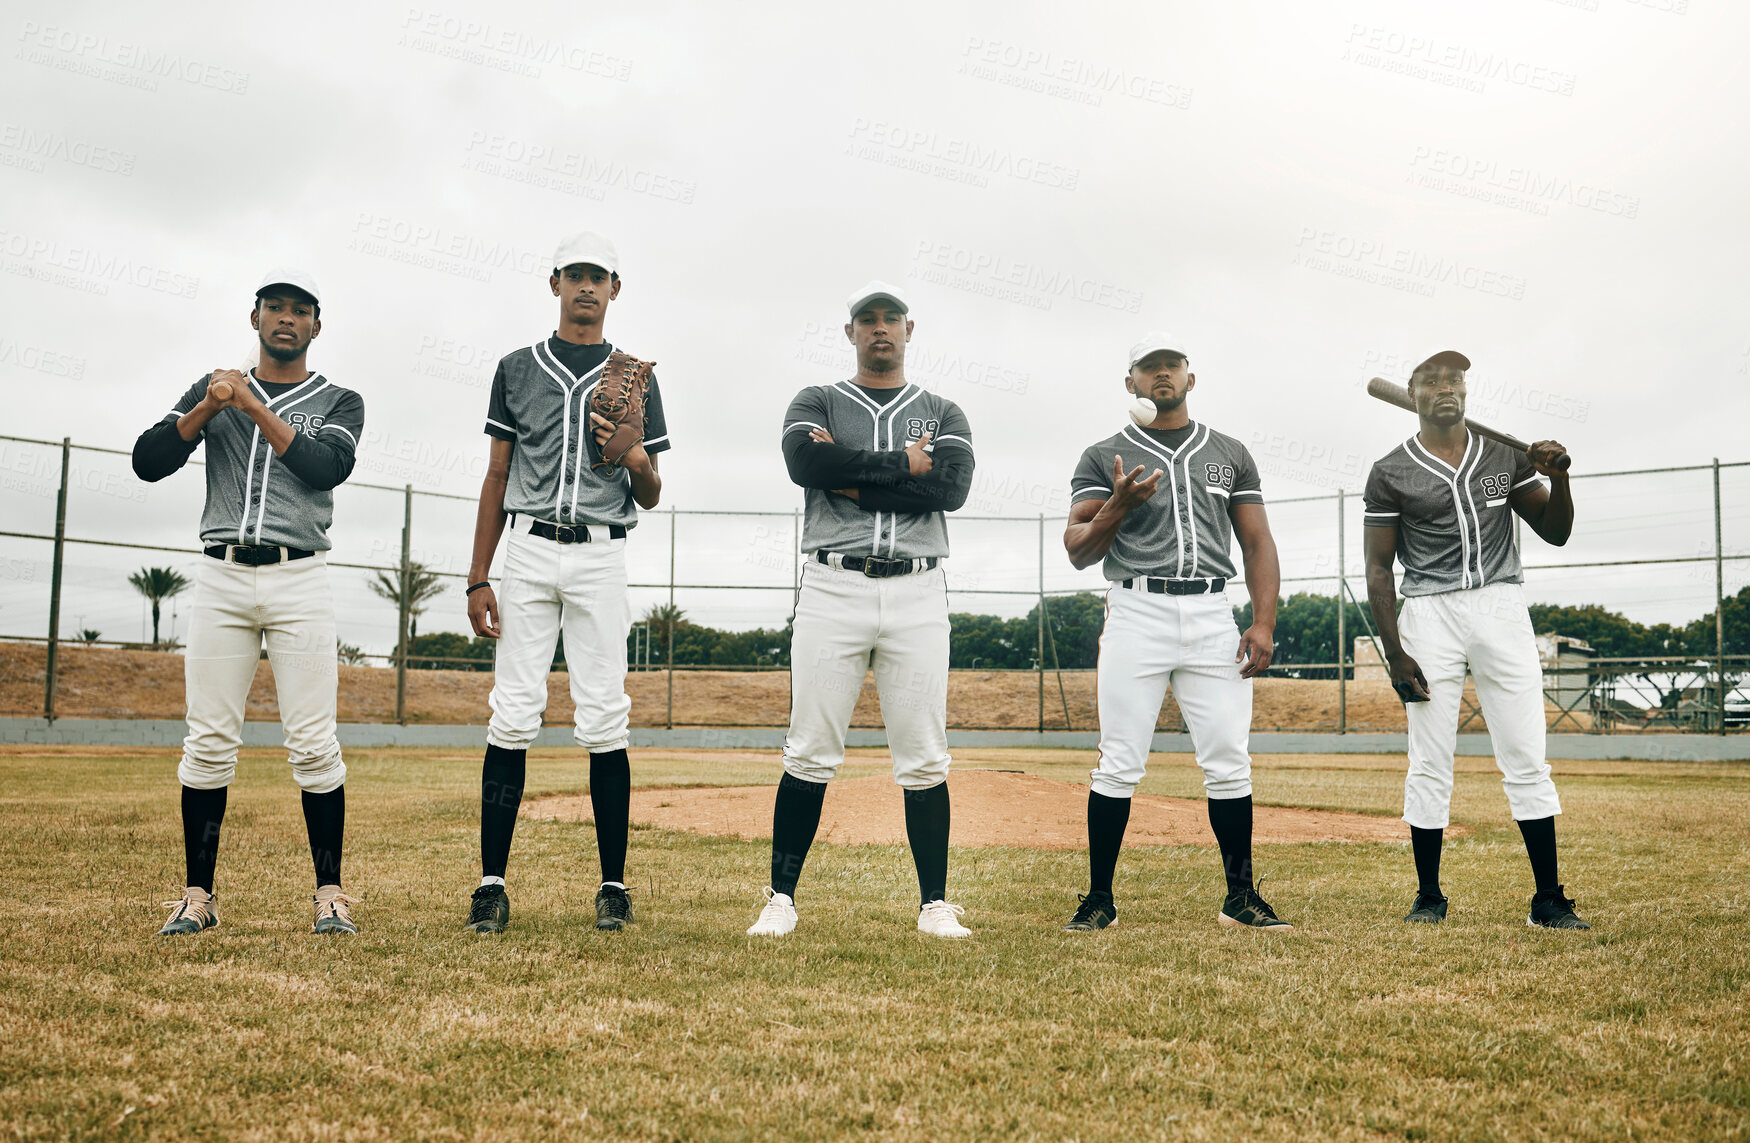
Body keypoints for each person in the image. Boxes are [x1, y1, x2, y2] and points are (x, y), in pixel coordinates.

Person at [132, 268, 366, 936]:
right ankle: (196, 897)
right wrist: (208, 407)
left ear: (316, 325)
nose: (285, 318)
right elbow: (148, 461)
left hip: (300, 576)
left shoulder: (341, 399)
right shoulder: (214, 388)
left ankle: (330, 894)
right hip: (222, 577)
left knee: (315, 743)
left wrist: (254, 407)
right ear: (255, 317)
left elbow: (326, 469)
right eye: (274, 307)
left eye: (299, 310)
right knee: (207, 741)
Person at [746, 280, 976, 939]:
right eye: (867, 319)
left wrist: (850, 475)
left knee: (924, 752)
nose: (880, 328)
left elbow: (951, 487)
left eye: (891, 319)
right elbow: (803, 462)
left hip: (918, 587)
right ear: (849, 332)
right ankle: (781, 899)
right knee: (811, 747)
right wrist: (906, 467)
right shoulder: (817, 399)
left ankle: (934, 903)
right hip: (833, 584)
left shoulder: (940, 409)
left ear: (910, 329)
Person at [462, 231, 669, 935]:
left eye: (599, 276)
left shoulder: (636, 374)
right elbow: (496, 474)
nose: (587, 286)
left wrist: (637, 458)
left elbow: (650, 493)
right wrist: (477, 574)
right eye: (575, 275)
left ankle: (614, 885)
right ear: (554, 283)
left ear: (615, 288)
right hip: (525, 547)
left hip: (602, 552)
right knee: (513, 711)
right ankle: (491, 884)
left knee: (605, 712)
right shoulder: (517, 367)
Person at [1061, 332, 1290, 932]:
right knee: (1119, 761)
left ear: (1191, 377)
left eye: (1172, 365)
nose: (1161, 374)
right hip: (1138, 609)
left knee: (1228, 760)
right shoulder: (1104, 453)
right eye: (1148, 367)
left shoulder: (1229, 451)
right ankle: (1099, 899)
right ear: (1130, 381)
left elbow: (1258, 540)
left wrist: (1263, 620)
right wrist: (1117, 504)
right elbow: (1078, 550)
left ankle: (1240, 897)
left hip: (1215, 614)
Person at [1362, 349, 1587, 929]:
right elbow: (1379, 569)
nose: (1446, 387)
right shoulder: (1390, 470)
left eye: (1455, 379)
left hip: (1500, 602)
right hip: (1429, 610)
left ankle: (1548, 900)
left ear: (1466, 391)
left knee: (1525, 753)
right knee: (1430, 757)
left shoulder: (1506, 456)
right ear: (1411, 394)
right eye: (1432, 380)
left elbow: (1556, 531)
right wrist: (1394, 649)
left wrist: (1558, 480)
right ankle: (1429, 897)